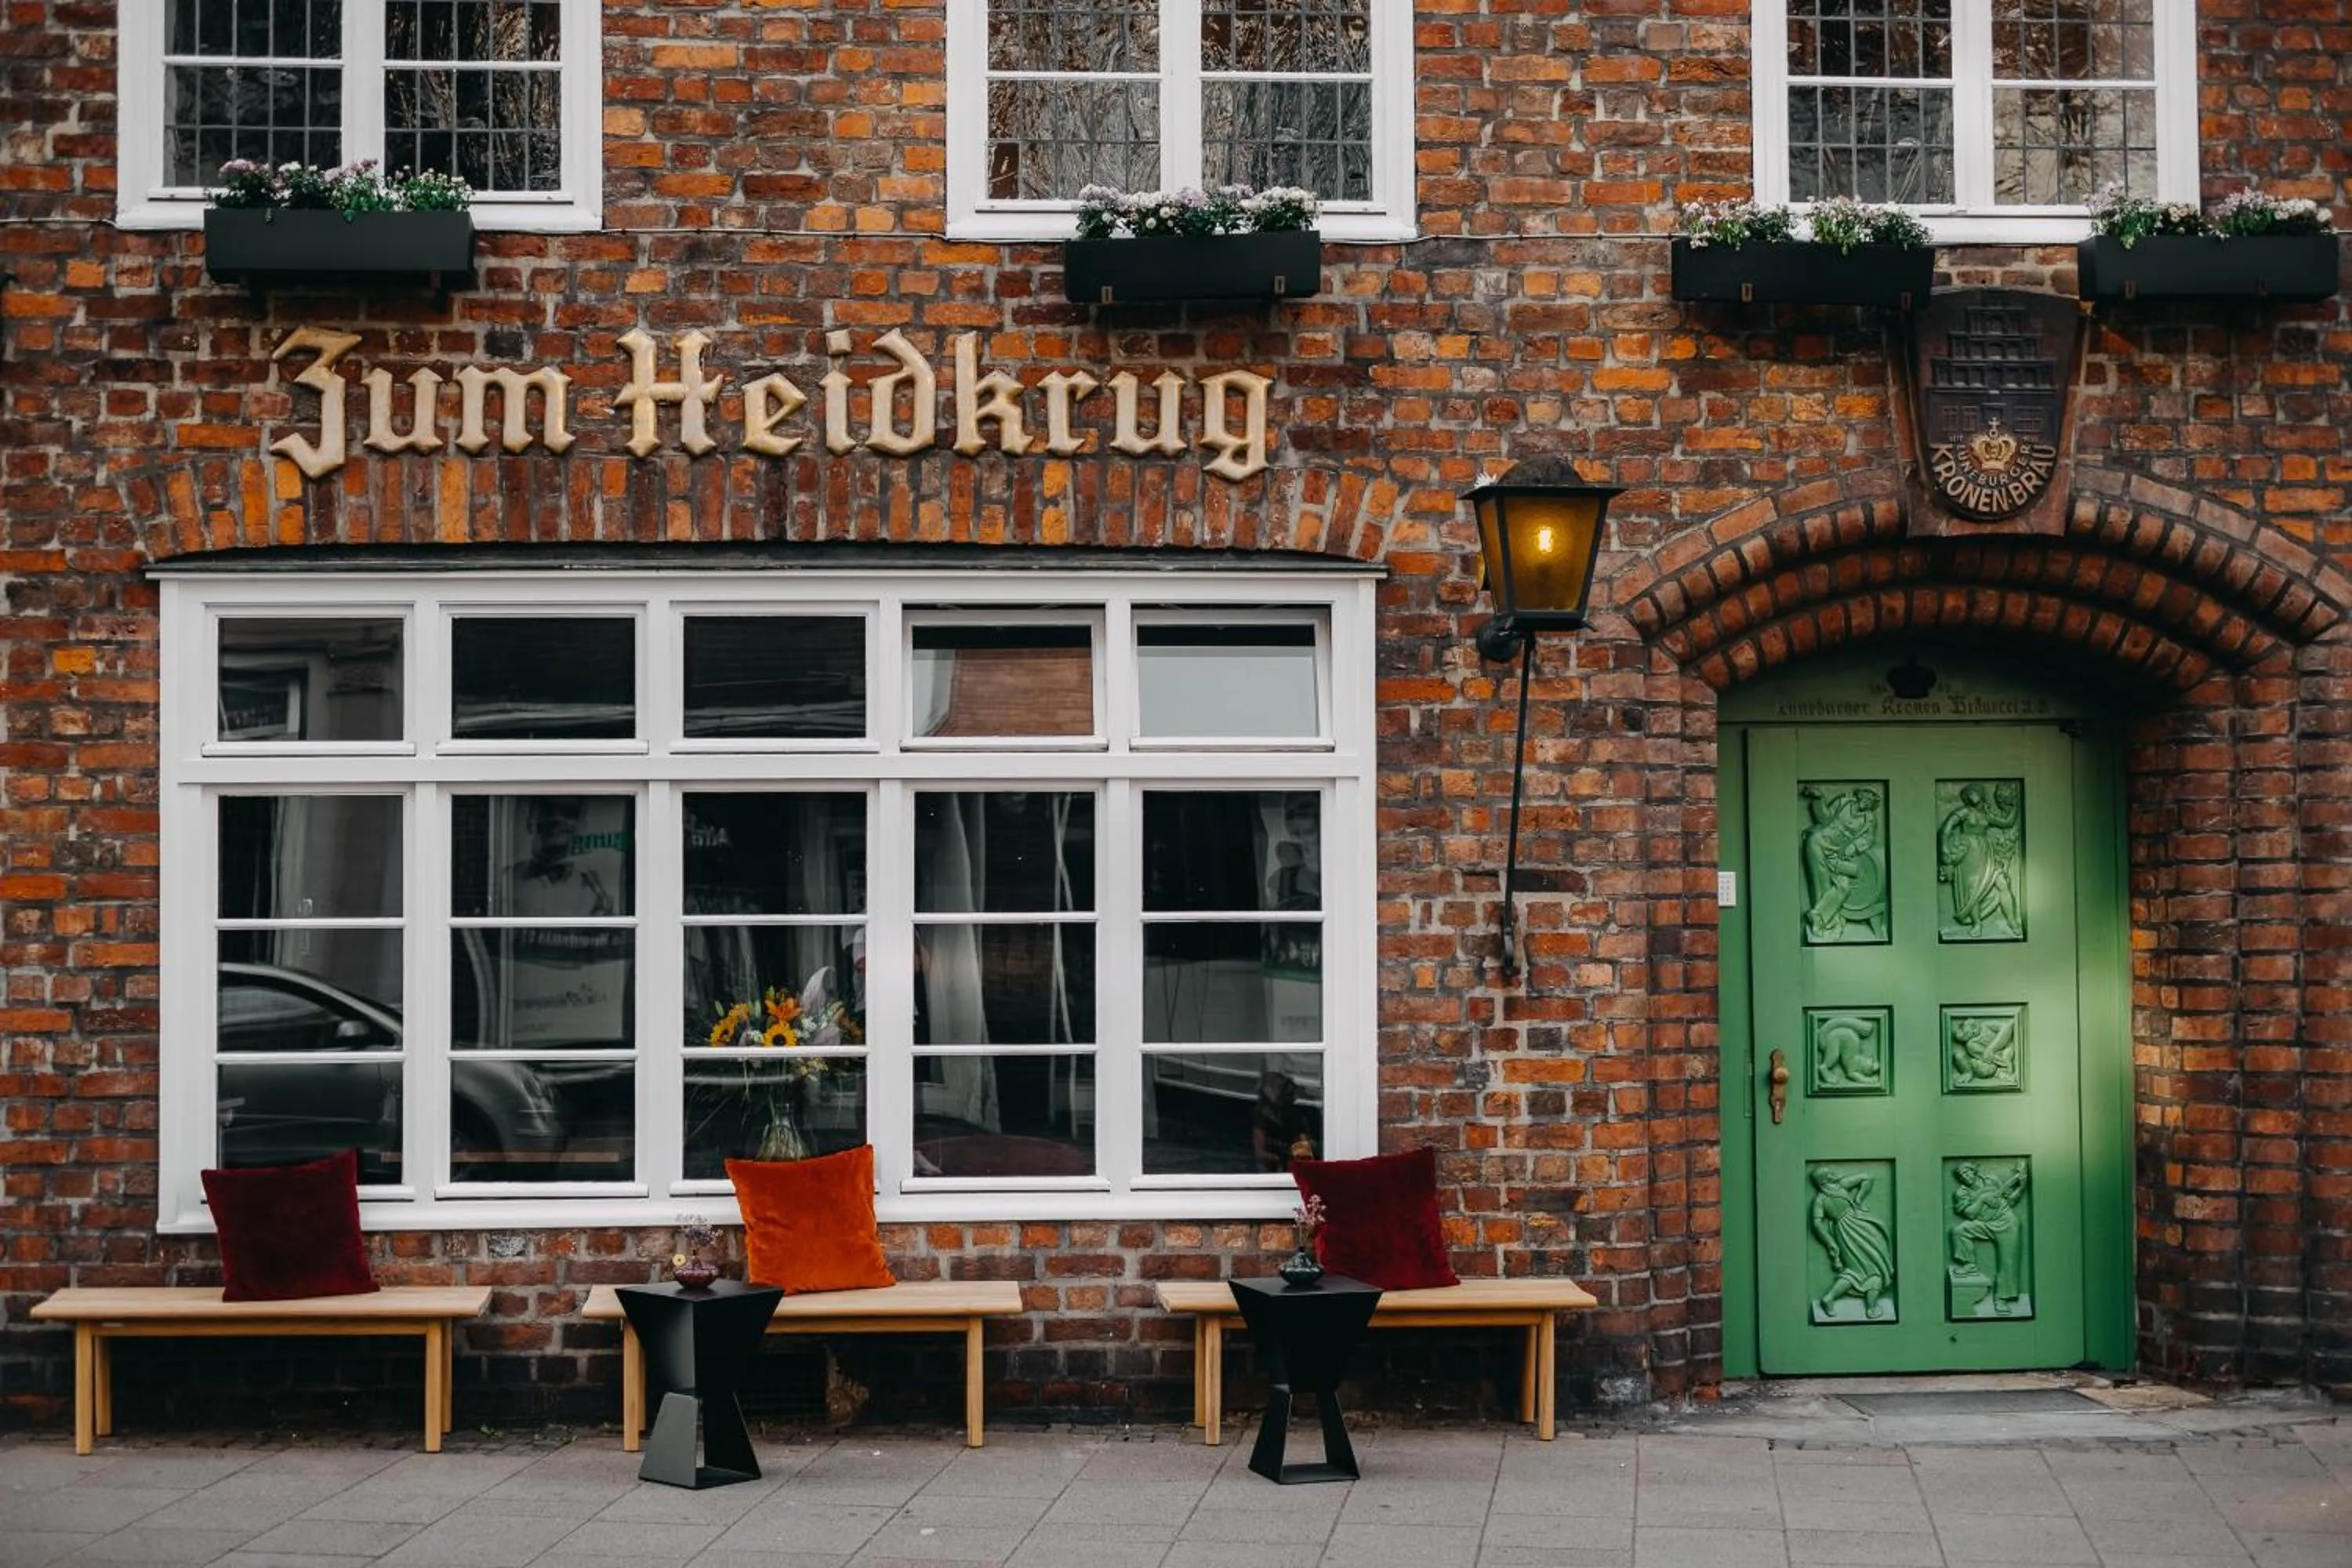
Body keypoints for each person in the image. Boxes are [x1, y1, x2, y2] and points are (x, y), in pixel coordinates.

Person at [1809, 1167, 1896, 1320]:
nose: (1833, 1173)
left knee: (1862, 1267)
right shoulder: (1839, 1188)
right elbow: (1868, 1176)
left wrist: (1859, 1199)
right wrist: (1830, 1243)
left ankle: (1831, 1298)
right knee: (1873, 1266)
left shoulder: (1821, 1199)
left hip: (1848, 1229)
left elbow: (1868, 1176)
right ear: (1824, 1180)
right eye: (1829, 1173)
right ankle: (1871, 1308)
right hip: (1855, 1227)